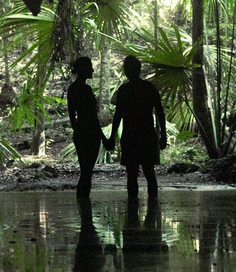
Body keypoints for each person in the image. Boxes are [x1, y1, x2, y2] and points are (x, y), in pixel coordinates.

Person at [105, 55, 166, 197]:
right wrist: (163, 135)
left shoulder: (124, 90)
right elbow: (160, 112)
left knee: (132, 174)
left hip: (131, 136)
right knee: (149, 172)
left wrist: (112, 136)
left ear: (126, 71)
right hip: (146, 135)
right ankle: (152, 206)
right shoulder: (149, 88)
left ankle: (132, 212)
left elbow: (118, 116)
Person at [67, 56, 108, 197]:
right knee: (87, 172)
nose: (92, 69)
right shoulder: (85, 89)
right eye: (90, 66)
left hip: (81, 132)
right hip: (90, 133)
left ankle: (84, 209)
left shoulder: (72, 89)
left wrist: (77, 132)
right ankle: (84, 207)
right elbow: (92, 117)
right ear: (84, 69)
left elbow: (72, 115)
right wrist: (103, 138)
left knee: (85, 171)